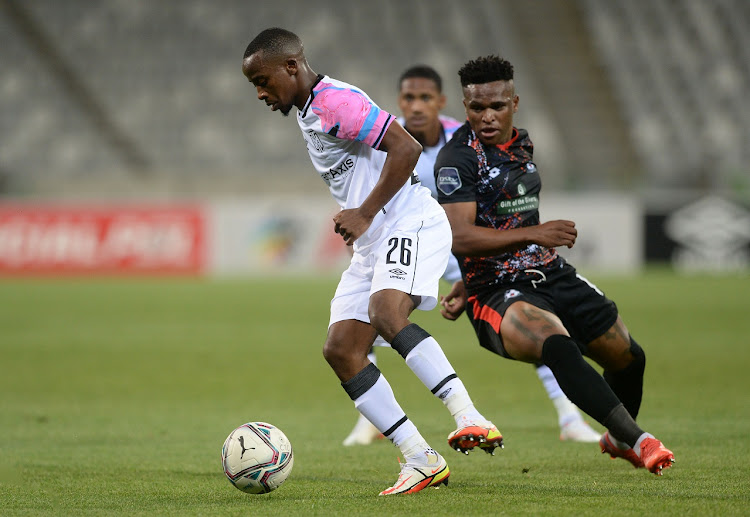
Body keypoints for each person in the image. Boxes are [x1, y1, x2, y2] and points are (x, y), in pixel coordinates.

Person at [242, 29, 502, 495]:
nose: (261, 92)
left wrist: (364, 212)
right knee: (341, 349)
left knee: (386, 314)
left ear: (291, 67)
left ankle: (470, 416)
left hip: (409, 222)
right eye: (254, 85)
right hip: (373, 241)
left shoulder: (334, 102)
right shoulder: (307, 110)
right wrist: (362, 218)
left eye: (263, 80)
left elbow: (406, 148)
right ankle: (420, 459)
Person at [434, 55, 675, 476]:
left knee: (628, 357)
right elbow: (459, 236)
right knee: (556, 346)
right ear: (465, 106)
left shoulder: (522, 143)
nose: (487, 117)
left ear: (515, 103)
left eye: (497, 106)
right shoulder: (458, 159)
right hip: (496, 289)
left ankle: (618, 439)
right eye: (476, 108)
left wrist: (534, 240)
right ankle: (640, 440)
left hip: (549, 271)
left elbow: (509, 217)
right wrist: (528, 238)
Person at [343, 65, 600, 447]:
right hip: (411, 242)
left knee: (532, 321)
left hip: (461, 243)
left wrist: (470, 272)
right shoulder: (386, 137)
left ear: (442, 103)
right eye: (409, 98)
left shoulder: (460, 141)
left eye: (425, 98)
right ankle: (372, 420)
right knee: (365, 315)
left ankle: (569, 416)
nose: (416, 106)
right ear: (399, 102)